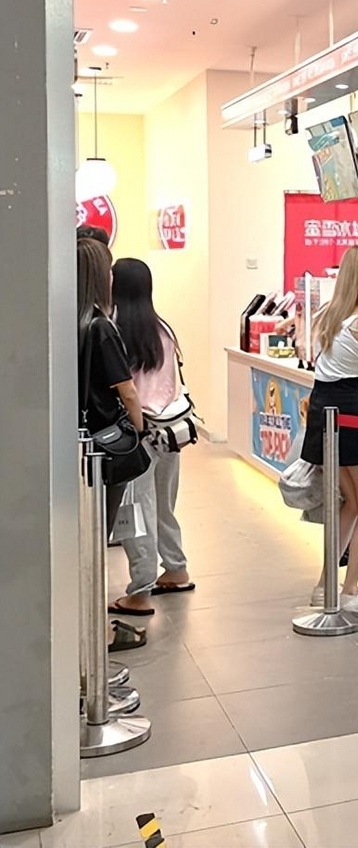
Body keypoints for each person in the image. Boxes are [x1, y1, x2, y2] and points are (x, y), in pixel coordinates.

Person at [300, 245, 358, 613]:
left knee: (351, 502)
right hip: (352, 411)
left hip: (323, 410)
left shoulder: (327, 317)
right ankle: (350, 589)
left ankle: (326, 585)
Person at [107, 258, 193, 616]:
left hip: (138, 433)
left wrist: (137, 425)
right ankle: (175, 569)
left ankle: (140, 590)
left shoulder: (115, 331)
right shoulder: (163, 329)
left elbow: (127, 392)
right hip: (170, 430)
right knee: (163, 504)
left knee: (137, 509)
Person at [77, 237, 144, 538]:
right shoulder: (101, 327)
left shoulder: (67, 324)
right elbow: (127, 391)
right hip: (105, 439)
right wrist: (139, 429)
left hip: (78, 436)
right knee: (100, 525)